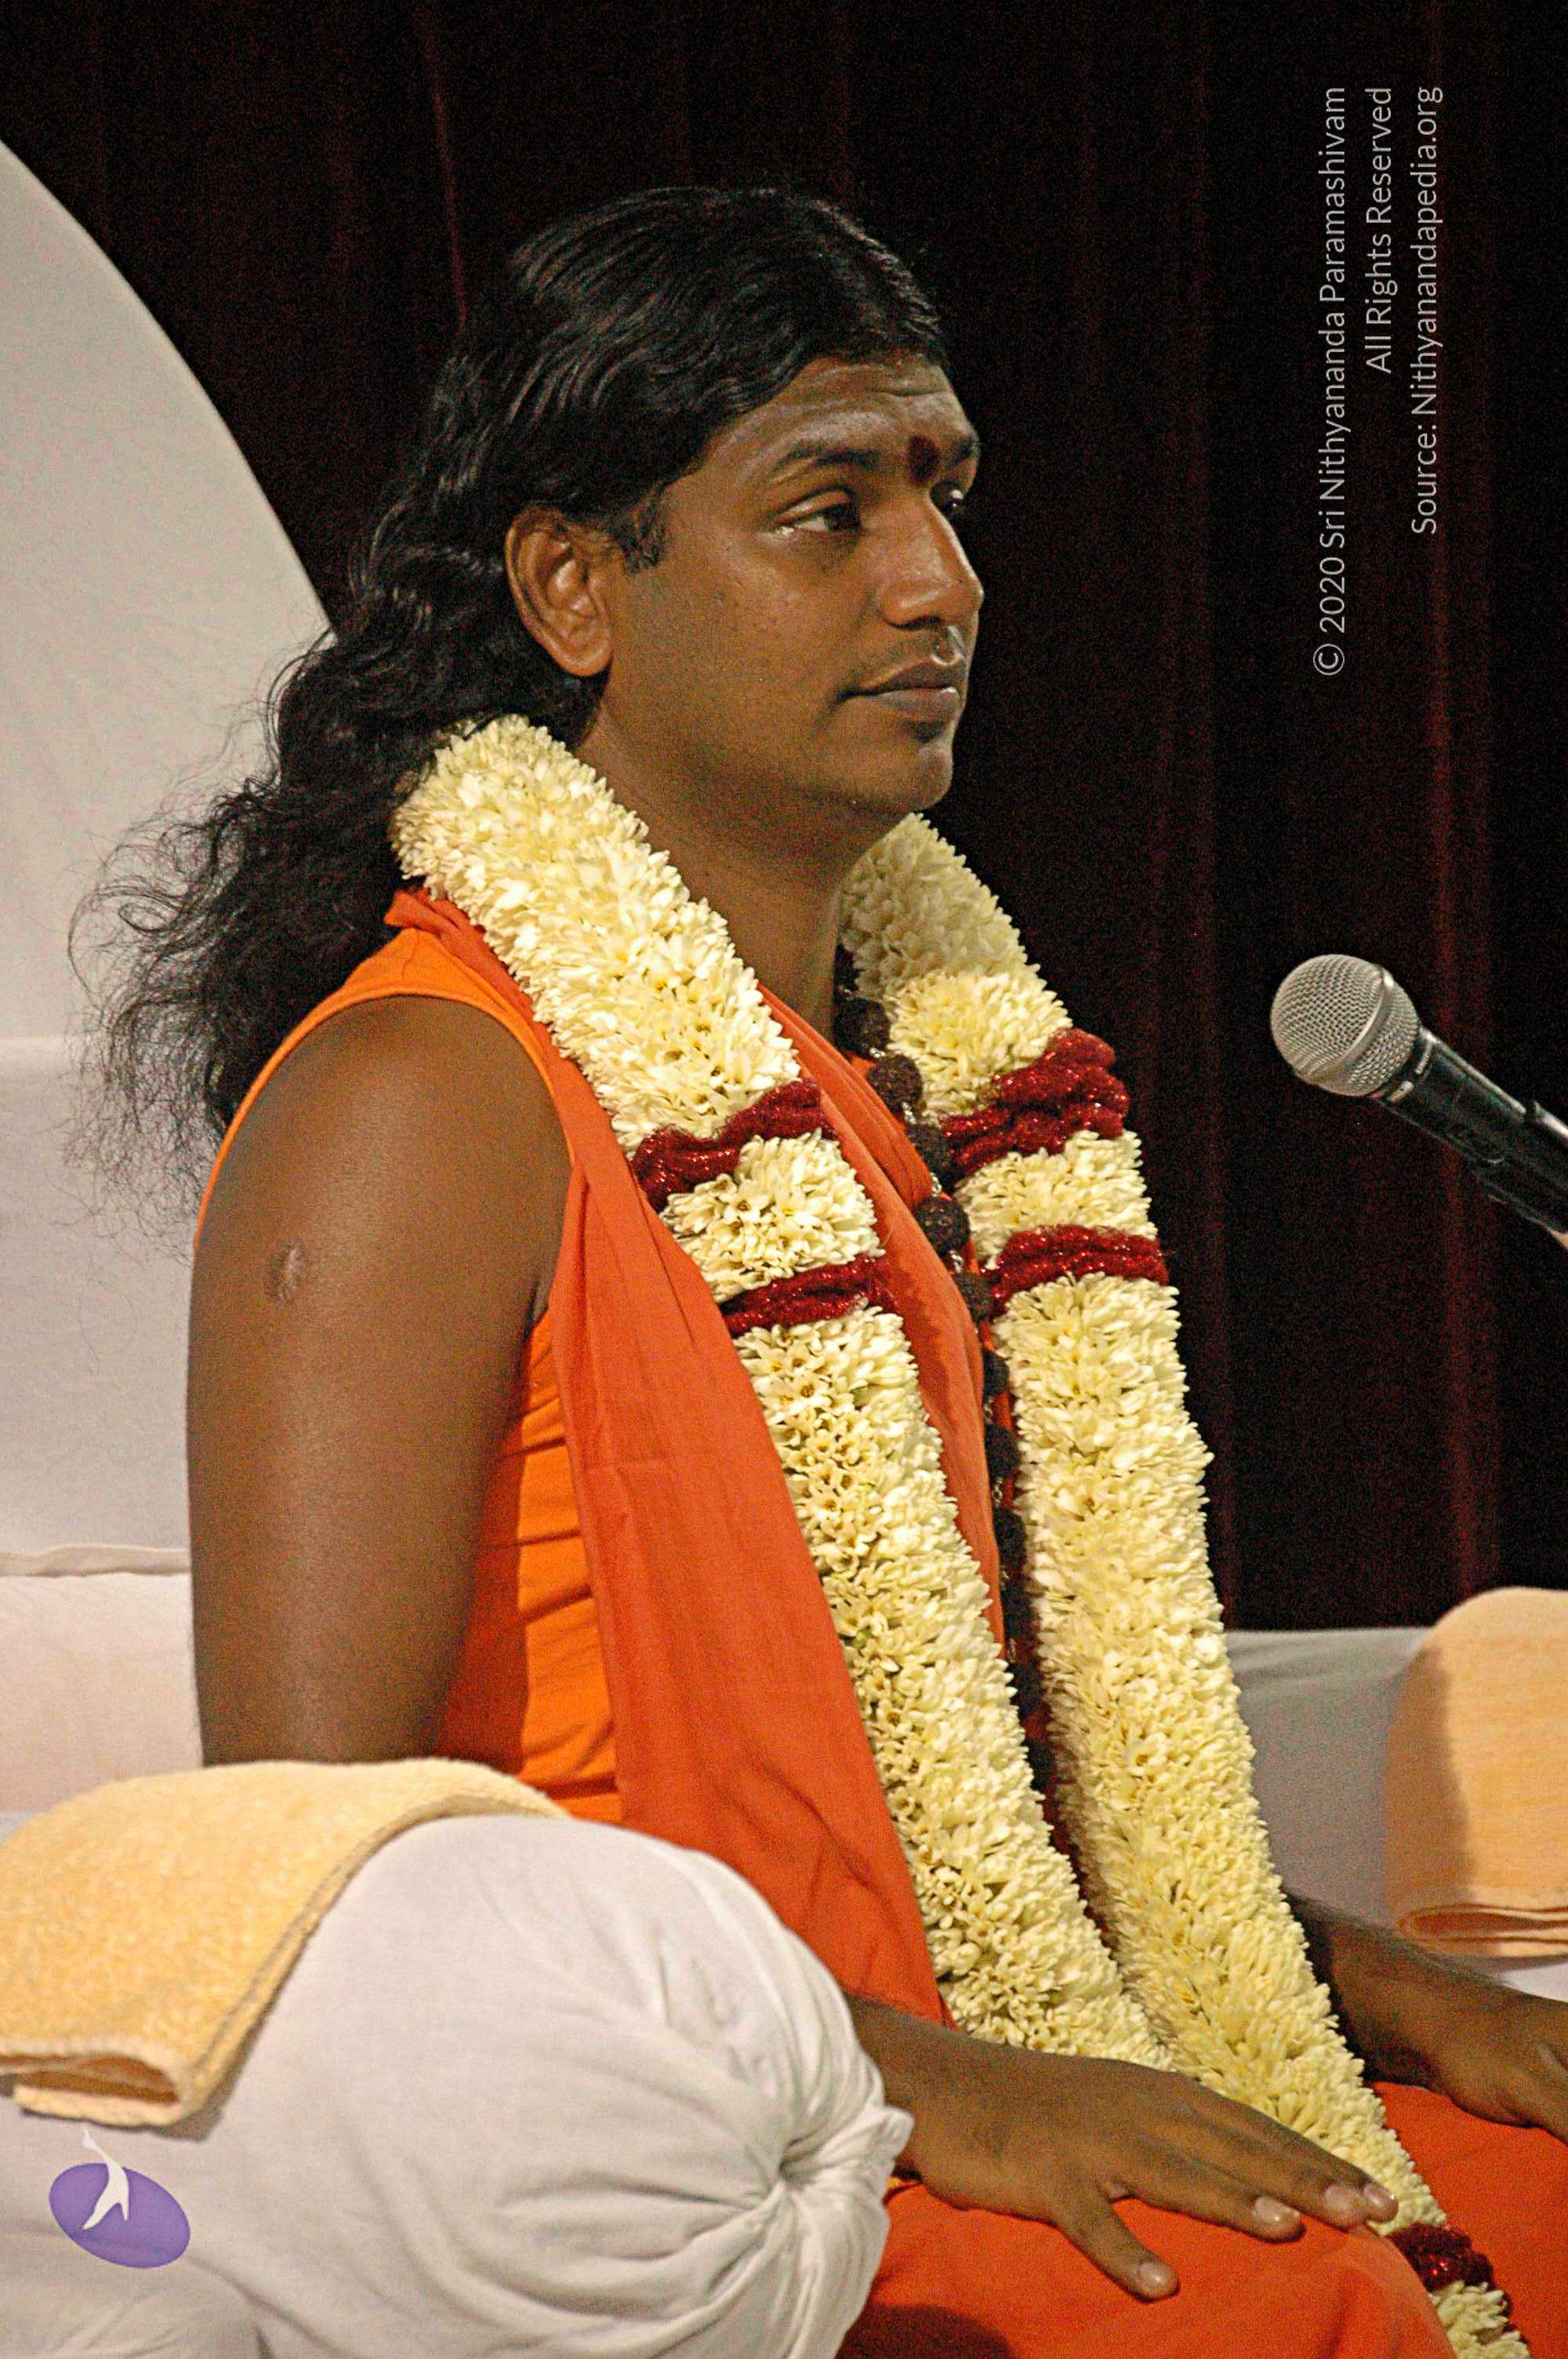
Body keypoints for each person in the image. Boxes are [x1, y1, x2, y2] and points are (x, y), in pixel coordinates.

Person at [76, 186, 1566, 2356]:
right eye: (827, 510)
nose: (939, 580)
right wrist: (928, 2080)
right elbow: (315, 1871)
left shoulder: (919, 1089)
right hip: (678, 2136)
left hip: (1001, 2043)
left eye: (944, 492)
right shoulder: (423, 1092)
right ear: (575, 587)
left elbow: (994, 1811)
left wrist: (1413, 1994)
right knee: (1288, 2312)